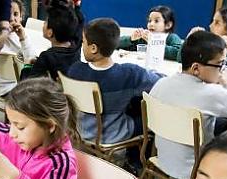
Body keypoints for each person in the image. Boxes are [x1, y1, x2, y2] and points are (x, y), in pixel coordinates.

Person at [150, 31, 227, 179]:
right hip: (197, 167)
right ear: (196, 68)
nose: (223, 70)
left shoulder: (161, 83)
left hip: (162, 159)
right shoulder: (212, 93)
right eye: (220, 64)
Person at [67, 18, 163, 147]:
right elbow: (159, 82)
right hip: (113, 134)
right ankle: (137, 160)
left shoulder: (75, 70)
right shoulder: (129, 73)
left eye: (83, 42)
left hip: (80, 131)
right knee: (150, 116)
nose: (81, 45)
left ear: (93, 48)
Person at [19, 3, 79, 80]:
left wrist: (27, 66)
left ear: (50, 33)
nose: (43, 23)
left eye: (45, 22)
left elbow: (27, 86)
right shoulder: (76, 52)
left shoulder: (46, 57)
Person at [185, 8, 227, 74]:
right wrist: (189, 41)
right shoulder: (207, 43)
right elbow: (181, 60)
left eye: (217, 23)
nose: (210, 26)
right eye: (213, 21)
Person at [0, 0, 37, 95]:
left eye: (15, 14)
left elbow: (32, 58)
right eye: (7, 14)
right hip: (14, 87)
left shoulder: (22, 35)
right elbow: (31, 60)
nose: (11, 19)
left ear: (21, 17)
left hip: (1, 87)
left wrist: (22, 38)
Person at [118, 5, 183, 60]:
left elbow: (178, 54)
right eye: (149, 20)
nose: (151, 24)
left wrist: (154, 42)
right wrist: (131, 39)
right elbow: (115, 44)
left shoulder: (172, 37)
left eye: (156, 21)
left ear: (168, 25)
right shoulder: (144, 38)